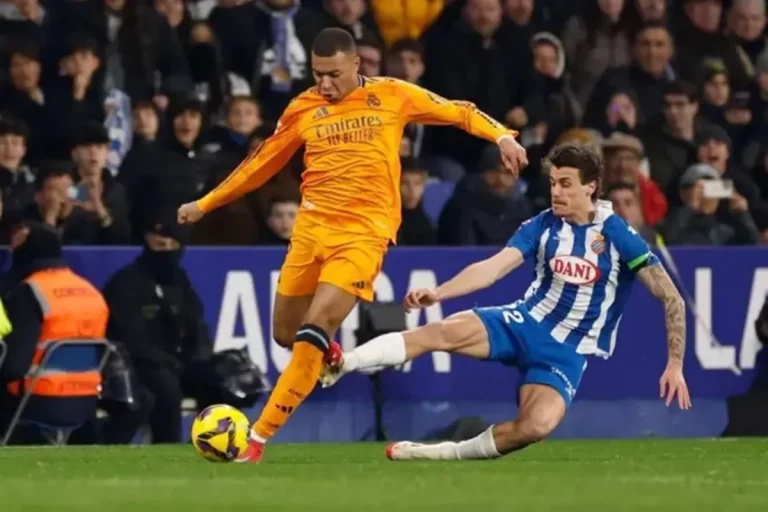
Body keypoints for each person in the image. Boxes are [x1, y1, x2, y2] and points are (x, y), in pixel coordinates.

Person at [177, 27, 528, 463]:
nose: (324, 84)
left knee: (315, 328)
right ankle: (329, 353)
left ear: (356, 64)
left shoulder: (392, 94)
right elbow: (261, 163)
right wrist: (205, 203)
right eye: (317, 74)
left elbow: (457, 111)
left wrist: (501, 136)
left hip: (363, 235)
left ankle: (258, 438)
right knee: (286, 333)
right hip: (310, 231)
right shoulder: (303, 107)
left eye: (334, 74)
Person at [320, 142, 691, 461]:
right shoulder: (542, 225)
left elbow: (670, 297)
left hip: (566, 353)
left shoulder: (618, 235)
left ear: (590, 187)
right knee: (440, 332)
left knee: (535, 427)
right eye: (552, 183)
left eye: (565, 184)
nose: (556, 192)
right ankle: (344, 362)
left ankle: (439, 454)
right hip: (523, 322)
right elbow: (492, 268)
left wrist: (675, 363)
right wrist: (440, 292)